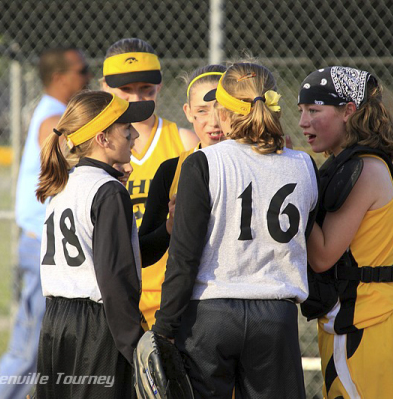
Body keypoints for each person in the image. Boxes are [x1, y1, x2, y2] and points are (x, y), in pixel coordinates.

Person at [151, 62, 318, 398]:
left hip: (210, 315)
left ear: (223, 114)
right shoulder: (304, 164)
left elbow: (183, 257)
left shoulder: (204, 162)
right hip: (276, 315)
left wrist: (165, 326)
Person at [299, 66, 393, 399]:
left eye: (314, 110)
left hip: (361, 326)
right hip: (381, 320)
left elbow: (321, 256)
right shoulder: (358, 163)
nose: (304, 122)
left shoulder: (361, 169)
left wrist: (288, 185)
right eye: (301, 111)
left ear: (348, 111)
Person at [0, 46, 90, 399]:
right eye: (82, 70)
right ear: (59, 78)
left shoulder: (56, 112)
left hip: (51, 245)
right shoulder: (55, 119)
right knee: (26, 352)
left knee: (45, 354)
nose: (88, 77)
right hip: (42, 245)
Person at [35, 90, 153, 398]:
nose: (135, 133)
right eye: (126, 128)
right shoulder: (109, 190)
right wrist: (134, 345)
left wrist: (164, 231)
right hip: (97, 327)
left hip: (55, 323)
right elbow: (115, 278)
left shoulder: (63, 185)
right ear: (103, 138)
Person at [138, 64, 227, 328]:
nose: (213, 122)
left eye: (222, 110)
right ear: (188, 112)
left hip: (241, 304)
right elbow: (143, 252)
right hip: (184, 306)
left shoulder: (258, 164)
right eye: (202, 111)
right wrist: (169, 226)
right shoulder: (172, 170)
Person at [101, 38, 199, 228]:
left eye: (146, 88)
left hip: (170, 257)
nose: (136, 98)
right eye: (125, 89)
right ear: (105, 86)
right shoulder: (97, 144)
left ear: (159, 83)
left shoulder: (184, 140)